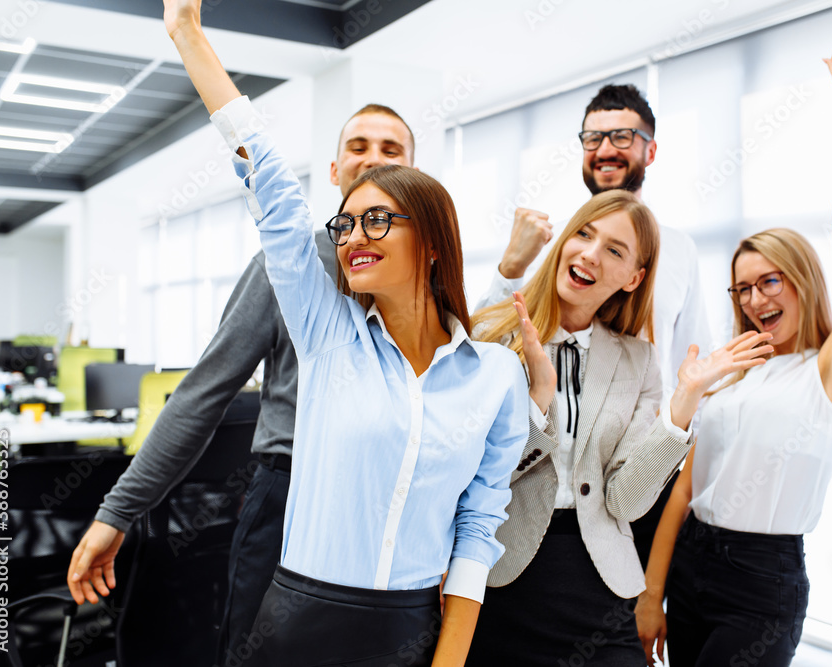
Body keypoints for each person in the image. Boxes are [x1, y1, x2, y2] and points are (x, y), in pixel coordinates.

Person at [150, 1, 530, 665]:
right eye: (347, 223)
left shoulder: (496, 377)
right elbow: (266, 177)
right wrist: (188, 35)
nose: (354, 235)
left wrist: (449, 659)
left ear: (434, 242)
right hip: (296, 620)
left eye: (379, 220)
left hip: (409, 627)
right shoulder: (329, 337)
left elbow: (477, 527)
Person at [66, 89, 416, 667]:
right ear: (334, 171)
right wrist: (117, 512)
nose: (374, 156)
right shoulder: (289, 265)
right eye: (358, 146)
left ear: (414, 170)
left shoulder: (431, 281)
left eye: (391, 147)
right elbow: (202, 396)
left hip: (386, 509)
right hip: (287, 500)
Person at [636, 48, 832, 667]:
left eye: (771, 281)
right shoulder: (734, 370)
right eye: (742, 286)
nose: (754, 297)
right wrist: (652, 590)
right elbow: (686, 487)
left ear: (802, 281)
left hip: (760, 582)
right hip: (690, 564)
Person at [467, 190, 771, 665]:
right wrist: (538, 402)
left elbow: (625, 501)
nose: (590, 254)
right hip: (501, 574)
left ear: (634, 278)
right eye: (584, 234)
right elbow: (474, 473)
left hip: (600, 583)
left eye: (614, 250)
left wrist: (682, 405)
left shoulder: (639, 360)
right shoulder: (491, 335)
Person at [491, 83, 710, 570]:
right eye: (592, 138)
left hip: (639, 459)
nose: (605, 149)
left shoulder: (680, 252)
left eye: (622, 136)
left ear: (650, 150)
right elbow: (493, 335)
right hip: (546, 462)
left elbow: (692, 360)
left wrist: (671, 437)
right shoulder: (557, 242)